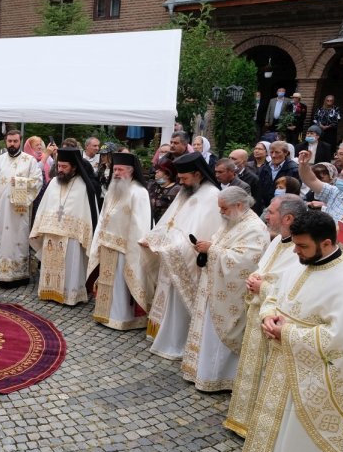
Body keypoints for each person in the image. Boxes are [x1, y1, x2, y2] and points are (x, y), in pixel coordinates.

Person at [238, 210, 343, 452]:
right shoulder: (302, 263)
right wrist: (267, 315)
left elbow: (342, 339)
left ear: (326, 243)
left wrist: (287, 332)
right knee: (276, 431)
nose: (295, 252)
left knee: (299, 439)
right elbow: (275, 294)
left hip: (314, 378)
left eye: (302, 247)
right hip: (283, 365)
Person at [224, 193, 304, 437]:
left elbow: (295, 290)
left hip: (273, 321)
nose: (266, 215)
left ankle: (258, 424)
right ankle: (243, 418)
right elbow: (266, 270)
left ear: (288, 218)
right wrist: (254, 278)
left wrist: (263, 287)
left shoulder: (300, 249)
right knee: (251, 368)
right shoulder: (279, 240)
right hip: (258, 312)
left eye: (271, 211)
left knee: (264, 373)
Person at [180, 186, 269, 392]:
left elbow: (246, 261)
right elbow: (223, 245)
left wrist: (212, 249)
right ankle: (202, 372)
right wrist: (208, 246)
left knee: (221, 335)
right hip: (214, 286)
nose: (221, 212)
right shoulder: (234, 220)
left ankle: (219, 378)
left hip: (232, 294)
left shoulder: (254, 227)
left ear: (239, 205)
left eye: (224, 208)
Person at [143, 152, 223, 360]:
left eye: (184, 178)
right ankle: (162, 334)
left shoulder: (211, 195)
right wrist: (153, 239)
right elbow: (170, 221)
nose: (180, 182)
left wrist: (168, 247)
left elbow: (199, 233)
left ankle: (177, 342)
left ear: (198, 174)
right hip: (170, 254)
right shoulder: (187, 191)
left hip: (186, 260)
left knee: (178, 303)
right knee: (166, 296)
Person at [88, 153, 156, 330]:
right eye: (114, 169)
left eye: (120, 170)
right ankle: (105, 314)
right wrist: (99, 237)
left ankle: (122, 318)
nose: (116, 173)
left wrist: (134, 249)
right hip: (108, 244)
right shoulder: (113, 188)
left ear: (131, 171)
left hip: (126, 246)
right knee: (107, 282)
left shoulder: (139, 192)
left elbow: (140, 223)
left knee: (121, 285)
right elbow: (104, 216)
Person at [28, 147, 100, 305]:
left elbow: (86, 214)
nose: (60, 170)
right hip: (51, 234)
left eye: (64, 167)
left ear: (74, 167)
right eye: (59, 166)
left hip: (72, 238)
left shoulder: (84, 186)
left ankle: (70, 295)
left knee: (70, 266)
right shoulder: (54, 182)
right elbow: (44, 206)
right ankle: (49, 291)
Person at [0, 129, 43, 287]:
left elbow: (37, 182)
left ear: (20, 141)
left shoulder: (30, 161)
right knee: (1, 239)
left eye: (15, 141)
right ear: (5, 142)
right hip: (1, 210)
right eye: (9, 141)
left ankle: (19, 273)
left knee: (19, 238)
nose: (12, 144)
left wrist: (20, 182)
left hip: (19, 212)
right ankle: (1, 272)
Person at [255, 140, 298, 213]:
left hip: (283, 209)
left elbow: (294, 193)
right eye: (271, 152)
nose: (274, 155)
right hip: (264, 208)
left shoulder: (293, 169)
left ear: (286, 153)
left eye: (277, 152)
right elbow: (259, 191)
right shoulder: (264, 168)